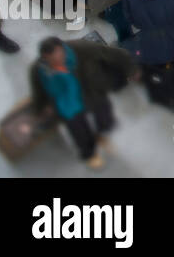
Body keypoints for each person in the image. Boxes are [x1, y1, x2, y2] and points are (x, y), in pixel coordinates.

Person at [29, 36, 136, 169]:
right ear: (45, 57)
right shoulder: (38, 70)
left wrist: (131, 70)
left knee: (104, 117)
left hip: (90, 91)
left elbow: (115, 54)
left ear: (64, 49)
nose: (59, 62)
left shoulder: (82, 48)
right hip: (67, 105)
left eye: (60, 56)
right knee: (79, 132)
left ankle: (102, 136)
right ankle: (90, 153)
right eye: (53, 60)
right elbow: (38, 93)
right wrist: (39, 111)